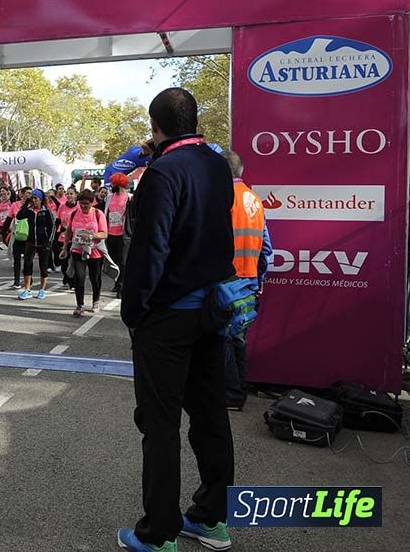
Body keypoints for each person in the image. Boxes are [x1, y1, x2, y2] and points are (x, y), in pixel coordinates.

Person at [117, 88, 235, 552]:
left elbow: (151, 250)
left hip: (167, 317)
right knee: (209, 417)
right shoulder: (215, 163)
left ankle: (159, 533)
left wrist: (134, 311)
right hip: (212, 309)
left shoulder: (162, 172)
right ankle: (211, 518)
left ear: (155, 124)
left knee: (160, 424)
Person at [222, 150, 272, 411]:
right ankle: (238, 391)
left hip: (227, 283)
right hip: (249, 281)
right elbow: (267, 249)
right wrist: (259, 279)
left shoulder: (221, 198)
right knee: (239, 338)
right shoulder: (255, 200)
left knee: (224, 339)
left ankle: (231, 393)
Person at [65, 189, 107, 316]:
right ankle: (80, 305)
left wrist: (92, 235)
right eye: (81, 203)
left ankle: (95, 301)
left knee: (95, 278)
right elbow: (68, 231)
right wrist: (64, 247)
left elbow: (105, 233)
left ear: (92, 202)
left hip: (94, 251)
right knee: (79, 277)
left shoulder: (98, 214)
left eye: (86, 203)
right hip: (78, 250)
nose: (83, 206)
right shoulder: (74, 214)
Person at [16, 189, 55, 300]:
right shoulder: (29, 211)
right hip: (31, 241)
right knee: (27, 264)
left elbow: (52, 228)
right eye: (32, 198)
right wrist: (25, 204)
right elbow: (19, 216)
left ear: (41, 199)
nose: (34, 200)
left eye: (35, 198)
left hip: (44, 242)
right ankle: (27, 289)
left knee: (43, 266)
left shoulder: (47, 211)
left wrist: (49, 242)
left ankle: (42, 289)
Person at [106, 173, 132, 297]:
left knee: (123, 261)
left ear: (119, 184)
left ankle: (121, 286)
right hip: (110, 233)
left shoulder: (129, 198)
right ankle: (117, 282)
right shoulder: (109, 197)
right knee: (114, 260)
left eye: (113, 183)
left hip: (124, 234)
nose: (111, 185)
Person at [1, 187, 32, 289]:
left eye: (30, 193)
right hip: (17, 234)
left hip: (29, 236)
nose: (29, 195)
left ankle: (29, 278)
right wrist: (2, 232)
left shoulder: (33, 205)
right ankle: (17, 281)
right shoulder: (15, 205)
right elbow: (9, 219)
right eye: (27, 193)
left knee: (28, 260)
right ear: (21, 194)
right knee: (16, 258)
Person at [54, 187, 79, 288]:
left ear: (75, 195)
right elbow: (57, 221)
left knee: (73, 261)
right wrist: (55, 234)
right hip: (63, 237)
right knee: (64, 261)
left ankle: (72, 280)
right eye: (67, 194)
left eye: (71, 194)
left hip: (75, 237)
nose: (68, 196)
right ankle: (66, 276)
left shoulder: (79, 207)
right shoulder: (62, 206)